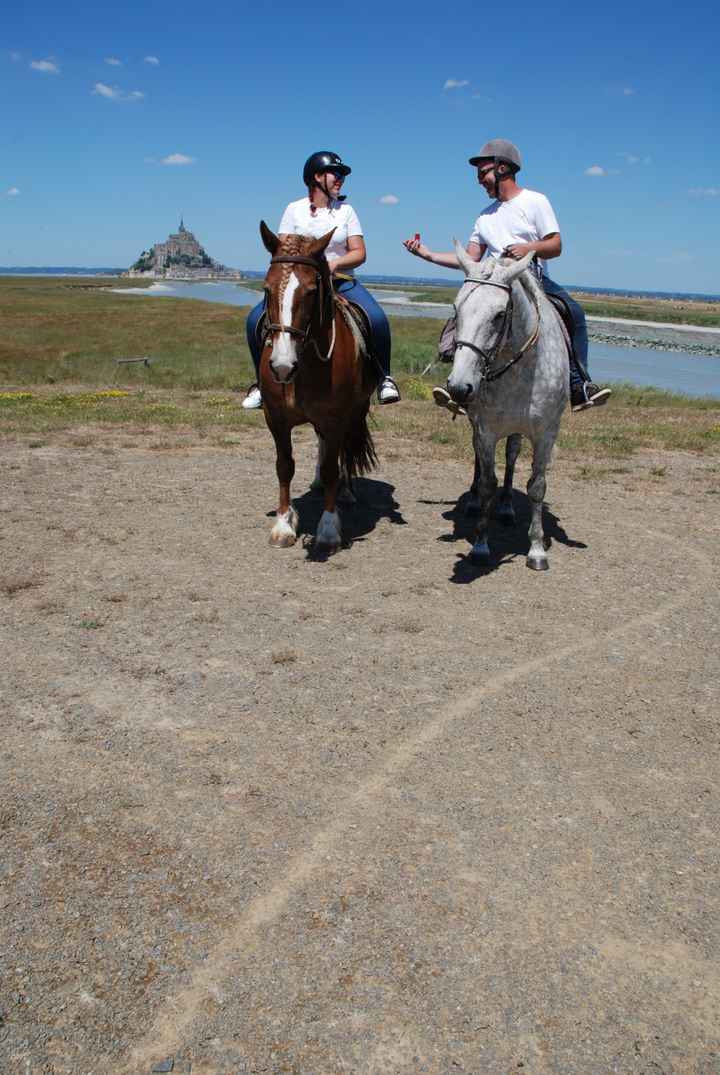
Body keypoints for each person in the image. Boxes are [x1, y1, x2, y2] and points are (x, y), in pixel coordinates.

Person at [403, 139, 611, 413]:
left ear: (503, 168)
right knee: (466, 312)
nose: (479, 181)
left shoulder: (535, 201)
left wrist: (529, 248)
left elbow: (555, 246)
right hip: (493, 283)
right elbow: (470, 259)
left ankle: (578, 384)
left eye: (483, 173)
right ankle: (457, 384)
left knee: (574, 313)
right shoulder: (484, 217)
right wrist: (427, 255)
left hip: (531, 280)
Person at [243, 150, 400, 409]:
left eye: (342, 176)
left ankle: (384, 378)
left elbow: (359, 252)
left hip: (339, 281)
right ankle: (260, 384)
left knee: (377, 318)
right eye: (335, 174)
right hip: (301, 285)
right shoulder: (294, 210)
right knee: (253, 320)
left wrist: (334, 263)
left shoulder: (346, 211)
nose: (340, 179)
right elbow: (282, 249)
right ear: (316, 177)